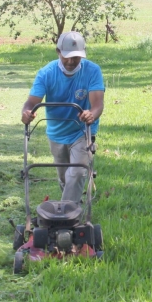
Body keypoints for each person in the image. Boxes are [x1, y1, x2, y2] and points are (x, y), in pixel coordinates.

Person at [21, 31, 105, 202]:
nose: (71, 61)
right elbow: (31, 102)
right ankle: (71, 206)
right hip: (57, 133)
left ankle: (65, 214)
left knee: (78, 171)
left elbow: (97, 105)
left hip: (81, 131)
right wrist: (27, 113)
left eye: (76, 57)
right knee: (65, 177)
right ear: (58, 51)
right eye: (67, 56)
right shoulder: (46, 73)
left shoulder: (92, 71)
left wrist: (91, 115)